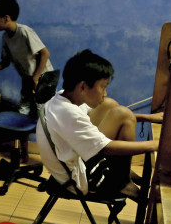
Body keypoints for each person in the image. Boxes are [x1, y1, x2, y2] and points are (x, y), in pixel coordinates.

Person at [36, 49, 163, 200]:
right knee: (122, 114)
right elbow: (106, 148)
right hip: (76, 179)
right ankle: (122, 182)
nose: (105, 93)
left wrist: (148, 117)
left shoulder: (64, 97)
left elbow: (104, 114)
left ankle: (122, 171)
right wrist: (157, 145)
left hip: (72, 159)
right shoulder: (68, 113)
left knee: (110, 105)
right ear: (83, 87)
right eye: (103, 87)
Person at [0, 0, 56, 117]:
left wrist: (36, 78)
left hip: (43, 77)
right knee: (24, 111)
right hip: (28, 78)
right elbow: (5, 62)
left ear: (6, 18)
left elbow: (45, 53)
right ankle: (22, 136)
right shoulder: (6, 37)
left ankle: (47, 136)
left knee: (44, 113)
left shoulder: (24, 31)